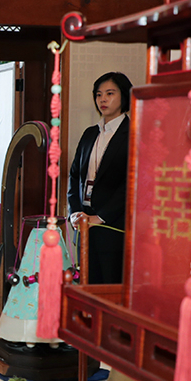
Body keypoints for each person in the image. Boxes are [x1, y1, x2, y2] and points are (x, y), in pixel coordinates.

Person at [68, 71, 132, 284]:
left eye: (110, 93)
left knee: (109, 286)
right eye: (98, 94)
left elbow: (131, 183)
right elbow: (75, 175)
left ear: (124, 96)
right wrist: (75, 212)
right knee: (86, 283)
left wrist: (101, 216)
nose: (102, 99)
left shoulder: (134, 132)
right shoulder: (89, 134)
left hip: (112, 225)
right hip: (84, 222)